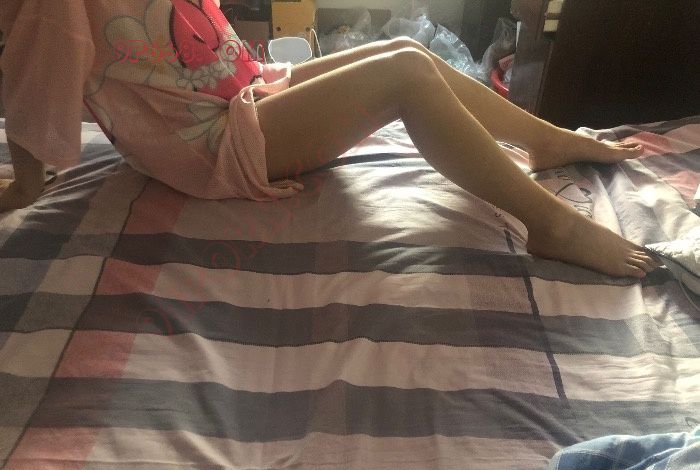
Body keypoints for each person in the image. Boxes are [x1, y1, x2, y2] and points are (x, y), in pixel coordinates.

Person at [0, 0, 658, 278]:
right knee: (405, 78)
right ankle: (549, 223)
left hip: (246, 94)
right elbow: (30, 86)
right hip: (216, 142)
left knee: (407, 51)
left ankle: (545, 141)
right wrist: (27, 183)